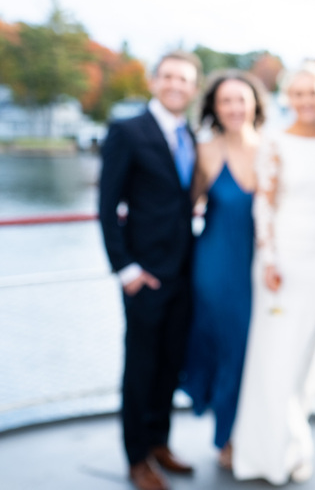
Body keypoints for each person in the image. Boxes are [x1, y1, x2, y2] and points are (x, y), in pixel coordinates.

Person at [230, 63, 315, 484]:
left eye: (311, 93)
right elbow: (265, 203)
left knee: (304, 356)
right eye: (296, 94)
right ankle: (267, 452)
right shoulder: (275, 138)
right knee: (274, 354)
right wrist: (270, 258)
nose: (305, 101)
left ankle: (295, 445)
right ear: (286, 98)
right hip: (283, 258)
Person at [98, 50, 202, 490]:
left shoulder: (191, 134)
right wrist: (126, 269)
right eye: (169, 76)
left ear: (193, 88)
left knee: (169, 363)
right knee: (140, 368)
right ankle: (137, 457)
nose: (176, 85)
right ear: (155, 81)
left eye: (185, 79)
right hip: (145, 275)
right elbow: (106, 208)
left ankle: (159, 442)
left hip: (184, 271)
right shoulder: (127, 131)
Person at [179, 70, 266, 468]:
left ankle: (249, 432)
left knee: (256, 351)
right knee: (229, 348)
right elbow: (178, 208)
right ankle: (225, 437)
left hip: (263, 268)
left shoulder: (274, 147)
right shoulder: (205, 151)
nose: (234, 108)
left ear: (255, 103)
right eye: (225, 101)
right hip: (216, 266)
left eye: (241, 99)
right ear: (214, 107)